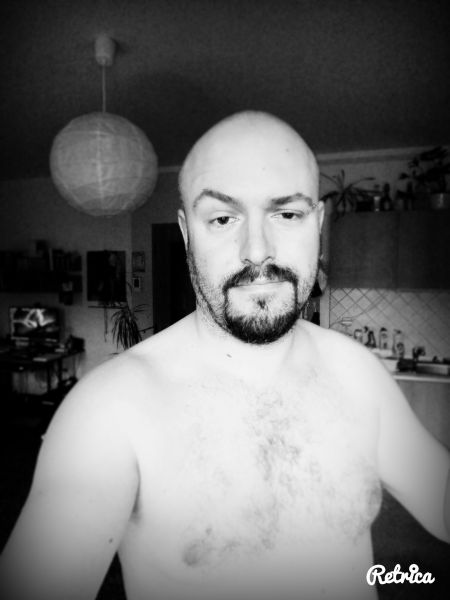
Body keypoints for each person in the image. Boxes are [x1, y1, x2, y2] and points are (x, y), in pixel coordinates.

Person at [1, 111, 449, 600]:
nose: (257, 250)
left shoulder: (356, 369)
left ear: (319, 225)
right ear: (187, 233)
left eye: (287, 214)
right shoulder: (108, 409)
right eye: (222, 218)